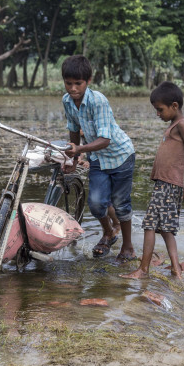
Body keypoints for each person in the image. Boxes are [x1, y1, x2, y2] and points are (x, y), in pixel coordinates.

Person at [60, 55, 136, 260]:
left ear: (88, 81)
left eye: (78, 83)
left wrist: (80, 149)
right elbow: (73, 131)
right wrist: (73, 160)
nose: (73, 88)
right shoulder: (67, 101)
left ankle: (127, 246)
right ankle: (109, 233)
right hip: (99, 159)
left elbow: (105, 140)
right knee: (95, 202)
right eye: (69, 83)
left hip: (120, 156)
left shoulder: (98, 101)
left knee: (120, 203)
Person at [122, 82, 184, 280]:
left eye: (160, 110)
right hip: (166, 183)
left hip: (168, 184)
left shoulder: (182, 124)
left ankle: (143, 270)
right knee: (165, 229)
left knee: (149, 225)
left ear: (174, 106)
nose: (158, 114)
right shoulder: (174, 125)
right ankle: (176, 269)